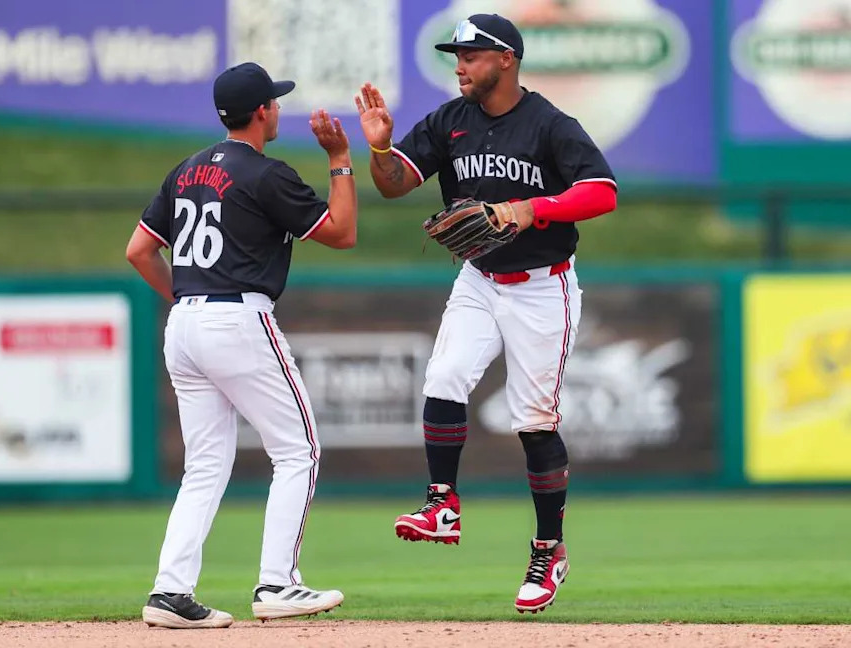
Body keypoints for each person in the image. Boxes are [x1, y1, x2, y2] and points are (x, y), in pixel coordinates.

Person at [354, 13, 617, 614]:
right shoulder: (451, 121)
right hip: (479, 277)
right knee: (444, 378)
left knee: (533, 419)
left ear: (506, 59)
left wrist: (532, 209)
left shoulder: (550, 124)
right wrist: (378, 146)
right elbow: (395, 184)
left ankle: (549, 547)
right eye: (457, 55)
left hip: (543, 287)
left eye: (470, 55)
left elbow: (602, 190)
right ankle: (441, 503)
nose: (460, 65)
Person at [126, 62, 357, 629]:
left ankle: (170, 592)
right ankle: (278, 583)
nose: (277, 109)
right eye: (274, 103)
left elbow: (138, 250)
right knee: (298, 450)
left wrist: (185, 296)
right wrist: (339, 161)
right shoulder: (266, 174)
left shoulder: (186, 170)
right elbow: (343, 232)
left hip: (184, 324)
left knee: (204, 466)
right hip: (237, 318)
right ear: (262, 112)